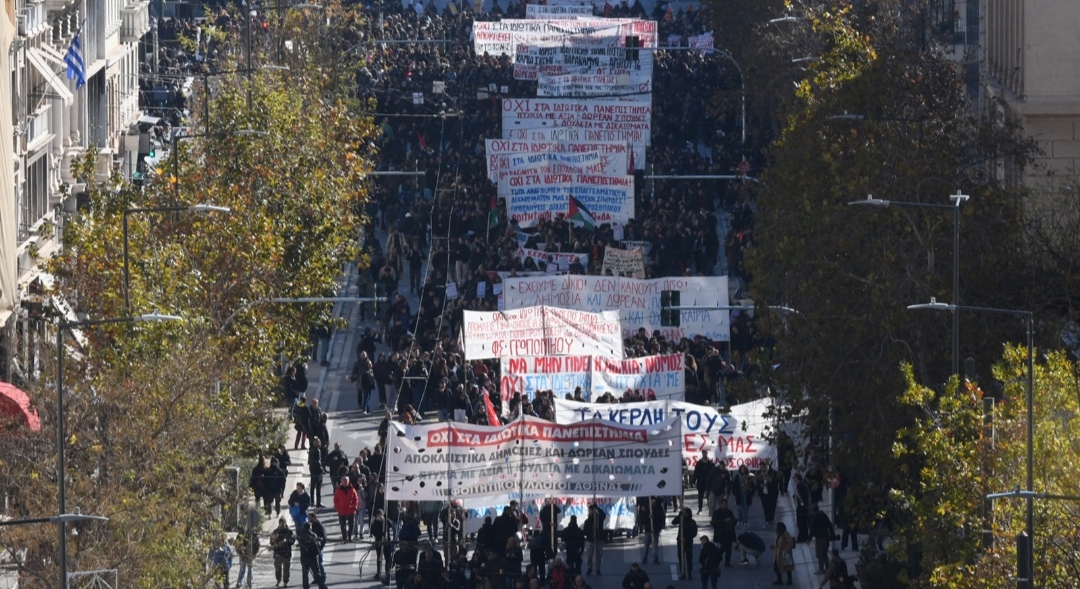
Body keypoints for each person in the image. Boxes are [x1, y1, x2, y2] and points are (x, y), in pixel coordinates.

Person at [297, 521, 328, 589]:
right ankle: (322, 586)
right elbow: (317, 547)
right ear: (310, 527)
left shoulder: (301, 536)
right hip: (312, 557)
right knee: (317, 573)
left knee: (305, 574)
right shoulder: (313, 535)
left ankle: (305, 587)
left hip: (304, 557)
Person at [672, 507, 698, 580]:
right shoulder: (681, 520)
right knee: (680, 557)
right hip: (680, 541)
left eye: (685, 513)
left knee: (689, 557)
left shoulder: (692, 522)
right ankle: (682, 572)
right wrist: (679, 515)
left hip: (688, 542)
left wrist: (687, 538)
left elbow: (694, 532)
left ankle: (689, 572)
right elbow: (673, 522)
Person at [709, 498, 736, 567]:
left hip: (729, 532)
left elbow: (733, 520)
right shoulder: (717, 513)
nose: (725, 506)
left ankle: (727, 562)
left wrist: (732, 522)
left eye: (726, 504)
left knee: (729, 548)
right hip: (720, 533)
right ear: (720, 504)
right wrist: (724, 521)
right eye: (724, 504)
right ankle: (716, 558)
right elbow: (713, 522)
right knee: (723, 547)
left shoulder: (729, 512)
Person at [270, 517, 295, 588]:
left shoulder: (289, 532)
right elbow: (271, 542)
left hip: (286, 553)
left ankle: (285, 582)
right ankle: (278, 580)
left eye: (284, 523)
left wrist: (286, 541)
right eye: (281, 523)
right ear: (279, 523)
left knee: (286, 569)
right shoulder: (275, 532)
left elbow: (293, 541)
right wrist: (275, 541)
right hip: (277, 552)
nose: (283, 525)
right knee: (277, 568)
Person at [810, 504, 836, 572]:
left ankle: (822, 568)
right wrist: (832, 534)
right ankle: (826, 567)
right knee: (824, 553)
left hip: (819, 538)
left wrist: (809, 539)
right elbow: (829, 525)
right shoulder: (823, 515)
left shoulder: (815, 517)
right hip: (826, 536)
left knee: (819, 554)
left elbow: (812, 529)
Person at [582, 504, 606, 575]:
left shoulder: (599, 519)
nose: (590, 512)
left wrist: (597, 508)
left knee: (598, 555)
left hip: (598, 540)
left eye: (591, 510)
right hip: (590, 540)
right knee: (589, 555)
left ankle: (597, 568)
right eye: (589, 510)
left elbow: (603, 515)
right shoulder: (587, 521)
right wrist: (591, 534)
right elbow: (585, 531)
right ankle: (589, 568)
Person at [334, 478, 359, 542]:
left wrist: (354, 507)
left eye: (346, 481)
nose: (345, 482)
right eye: (344, 481)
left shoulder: (352, 489)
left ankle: (350, 536)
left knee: (351, 524)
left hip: (350, 510)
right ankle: (344, 537)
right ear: (341, 481)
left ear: (348, 481)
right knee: (343, 525)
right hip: (342, 510)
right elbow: (335, 500)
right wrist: (338, 508)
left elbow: (356, 499)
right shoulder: (338, 490)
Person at [641, 497, 664, 564]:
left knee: (655, 544)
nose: (653, 503)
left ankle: (655, 558)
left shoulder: (659, 508)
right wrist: (648, 517)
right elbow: (643, 519)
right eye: (652, 502)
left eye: (654, 502)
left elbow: (661, 518)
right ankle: (645, 558)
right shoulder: (647, 509)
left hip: (656, 529)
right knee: (646, 544)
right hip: (648, 529)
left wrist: (659, 527)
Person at [371, 508, 390, 580]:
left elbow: (391, 524)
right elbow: (374, 532)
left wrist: (385, 519)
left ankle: (387, 572)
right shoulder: (375, 523)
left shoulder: (385, 521)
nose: (380, 516)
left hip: (387, 542)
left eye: (381, 514)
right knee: (379, 558)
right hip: (379, 542)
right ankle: (378, 572)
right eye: (378, 515)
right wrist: (381, 534)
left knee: (387, 558)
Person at [308, 437, 328, 508]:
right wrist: (321, 469)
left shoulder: (311, 450)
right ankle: (318, 503)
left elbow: (309, 461)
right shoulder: (318, 451)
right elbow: (318, 461)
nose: (320, 443)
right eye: (318, 442)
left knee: (312, 487)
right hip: (317, 471)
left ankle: (312, 502)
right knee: (318, 487)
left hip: (312, 471)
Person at [794, 474, 812, 543]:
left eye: (794, 477)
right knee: (803, 522)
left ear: (797, 478)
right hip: (803, 506)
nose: (793, 479)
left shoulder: (799, 485)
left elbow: (802, 496)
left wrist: (803, 504)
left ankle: (802, 537)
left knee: (800, 522)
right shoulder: (801, 484)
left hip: (801, 507)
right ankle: (804, 536)